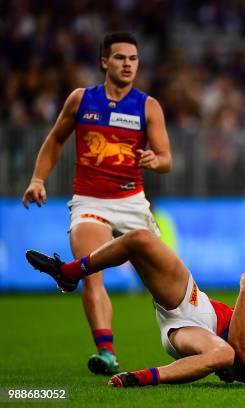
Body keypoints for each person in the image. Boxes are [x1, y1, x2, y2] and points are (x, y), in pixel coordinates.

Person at [25, 229, 245, 387]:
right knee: (139, 240)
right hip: (199, 305)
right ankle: (69, 274)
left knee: (224, 354)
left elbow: (239, 346)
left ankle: (140, 378)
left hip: (192, 333)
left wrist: (244, 292)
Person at [21, 32, 172, 375]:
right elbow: (56, 139)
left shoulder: (147, 106)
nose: (128, 64)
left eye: (133, 59)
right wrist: (37, 179)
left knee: (166, 284)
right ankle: (107, 353)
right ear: (105, 62)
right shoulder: (81, 100)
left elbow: (167, 159)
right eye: (120, 58)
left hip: (132, 202)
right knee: (92, 274)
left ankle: (197, 335)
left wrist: (155, 159)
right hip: (90, 201)